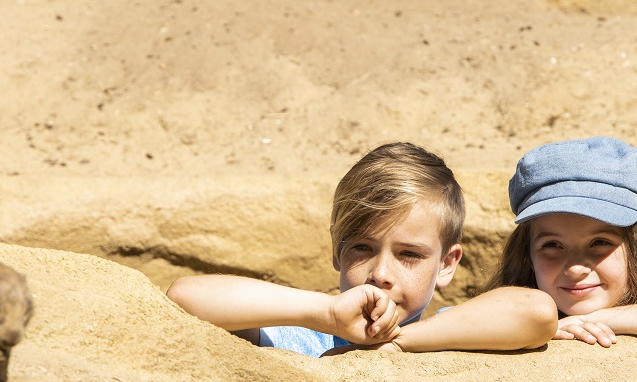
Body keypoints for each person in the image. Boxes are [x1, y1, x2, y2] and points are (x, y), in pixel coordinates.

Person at [166, 142, 557, 357]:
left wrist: (401, 341)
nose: (380, 274)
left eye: (409, 254)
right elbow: (185, 298)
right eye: (361, 247)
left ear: (447, 264)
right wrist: (326, 314)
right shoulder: (301, 337)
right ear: (336, 251)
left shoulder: (451, 331)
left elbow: (537, 312)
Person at [482, 135, 637, 348]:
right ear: (527, 256)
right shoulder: (496, 312)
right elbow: (448, 323)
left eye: (600, 242)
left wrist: (593, 320)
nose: (575, 269)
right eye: (552, 245)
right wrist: (539, 325)